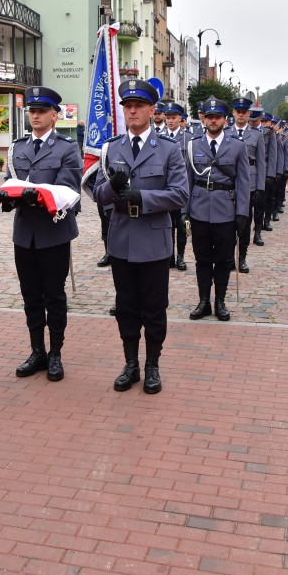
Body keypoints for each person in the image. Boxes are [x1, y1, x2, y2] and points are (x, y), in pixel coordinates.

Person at [93, 79, 188, 394]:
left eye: (138, 106)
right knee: (126, 306)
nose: (132, 110)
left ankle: (152, 366)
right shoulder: (113, 147)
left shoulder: (169, 149)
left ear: (152, 109)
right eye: (127, 106)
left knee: (154, 308)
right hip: (121, 240)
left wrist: (142, 199)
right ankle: (130, 364)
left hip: (154, 239)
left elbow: (180, 194)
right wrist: (112, 185)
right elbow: (97, 194)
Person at [0, 86, 82, 380]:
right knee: (30, 296)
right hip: (24, 233)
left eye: (42, 111)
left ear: (55, 115)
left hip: (53, 233)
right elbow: (10, 181)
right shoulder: (18, 147)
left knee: (53, 295)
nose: (36, 115)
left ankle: (55, 354)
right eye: (32, 111)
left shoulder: (67, 148)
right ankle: (37, 351)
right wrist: (8, 198)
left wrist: (39, 197)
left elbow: (69, 191)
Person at [183, 97, 250, 321]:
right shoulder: (193, 145)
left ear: (224, 120)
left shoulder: (237, 146)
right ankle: (203, 302)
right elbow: (188, 180)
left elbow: (243, 182)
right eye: (209, 117)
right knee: (202, 259)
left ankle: (220, 301)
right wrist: (184, 209)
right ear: (204, 119)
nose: (213, 121)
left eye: (217, 117)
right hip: (199, 209)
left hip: (225, 210)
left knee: (222, 260)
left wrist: (242, 212)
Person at [159, 101, 194, 270]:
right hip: (164, 188)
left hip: (180, 187)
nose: (170, 121)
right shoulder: (158, 137)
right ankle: (168, 256)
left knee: (181, 225)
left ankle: (180, 256)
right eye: (168, 118)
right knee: (166, 225)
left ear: (180, 119)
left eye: (173, 118)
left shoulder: (188, 138)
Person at [232, 98, 266, 262]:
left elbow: (261, 162)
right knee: (229, 222)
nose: (240, 115)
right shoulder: (225, 133)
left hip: (250, 182)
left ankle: (242, 257)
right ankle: (230, 256)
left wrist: (260, 187)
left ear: (249, 114)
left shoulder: (257, 135)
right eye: (238, 112)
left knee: (245, 220)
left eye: (244, 112)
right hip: (229, 182)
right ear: (233, 113)